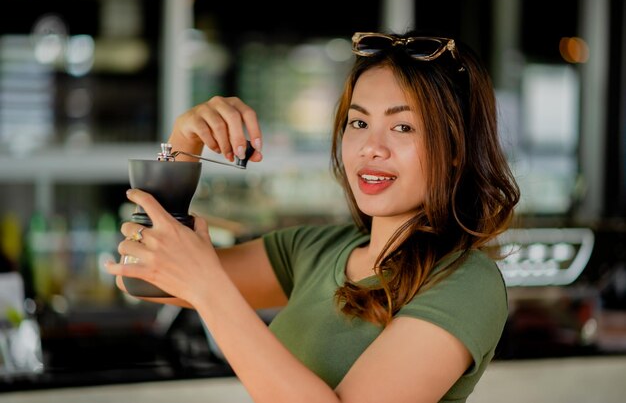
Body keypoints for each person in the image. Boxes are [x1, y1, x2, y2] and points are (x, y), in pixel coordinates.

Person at [105, 30, 520, 403]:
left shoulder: (466, 282)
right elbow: (143, 275)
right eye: (358, 122)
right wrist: (182, 141)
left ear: (455, 152)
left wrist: (210, 290)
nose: (370, 147)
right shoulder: (316, 249)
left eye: (403, 128)